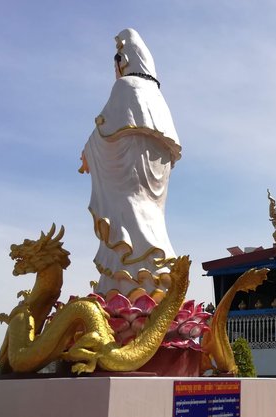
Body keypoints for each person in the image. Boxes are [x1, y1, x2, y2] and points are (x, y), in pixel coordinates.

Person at [80, 28, 182, 297]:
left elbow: (105, 128)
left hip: (128, 181)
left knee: (128, 222)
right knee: (151, 223)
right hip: (152, 183)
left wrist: (88, 151)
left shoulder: (125, 86)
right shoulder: (159, 99)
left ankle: (125, 288)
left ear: (123, 61)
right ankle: (156, 282)